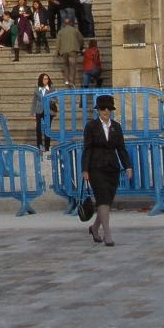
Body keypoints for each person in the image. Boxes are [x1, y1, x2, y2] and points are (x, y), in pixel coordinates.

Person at [82, 95, 132, 246]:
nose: (106, 111)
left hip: (112, 168)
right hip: (96, 167)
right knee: (103, 199)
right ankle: (107, 234)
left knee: (106, 201)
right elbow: (87, 148)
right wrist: (85, 169)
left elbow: (121, 148)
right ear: (98, 110)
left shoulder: (116, 126)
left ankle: (94, 228)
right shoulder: (91, 126)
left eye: (108, 108)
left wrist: (128, 166)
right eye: (103, 108)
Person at [30, 72, 56, 151]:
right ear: (41, 80)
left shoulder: (52, 89)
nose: (46, 80)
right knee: (38, 128)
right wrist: (32, 113)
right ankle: (39, 145)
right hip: (39, 110)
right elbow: (34, 102)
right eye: (44, 79)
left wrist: (51, 100)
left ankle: (47, 146)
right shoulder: (37, 89)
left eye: (47, 79)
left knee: (47, 128)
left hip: (49, 111)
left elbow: (56, 99)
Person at [56, 16, 83, 87]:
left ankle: (66, 81)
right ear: (71, 23)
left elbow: (58, 42)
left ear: (64, 24)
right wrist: (81, 47)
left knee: (66, 66)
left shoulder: (61, 31)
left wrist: (57, 52)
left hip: (64, 51)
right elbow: (81, 39)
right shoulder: (75, 30)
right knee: (72, 67)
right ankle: (71, 82)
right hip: (72, 50)